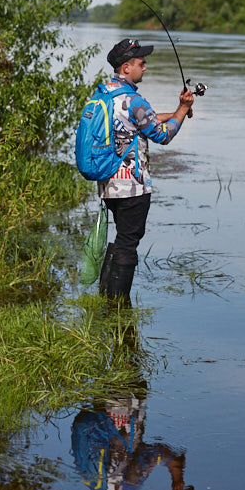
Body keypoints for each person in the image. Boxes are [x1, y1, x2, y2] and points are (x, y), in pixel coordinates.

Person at [96, 38, 195, 301]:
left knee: (121, 238)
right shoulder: (134, 100)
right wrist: (183, 109)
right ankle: (117, 306)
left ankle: (105, 296)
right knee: (129, 243)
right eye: (141, 63)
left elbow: (140, 121)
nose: (145, 68)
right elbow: (162, 136)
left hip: (109, 183)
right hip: (132, 187)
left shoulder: (105, 93)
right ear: (126, 67)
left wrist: (176, 111)